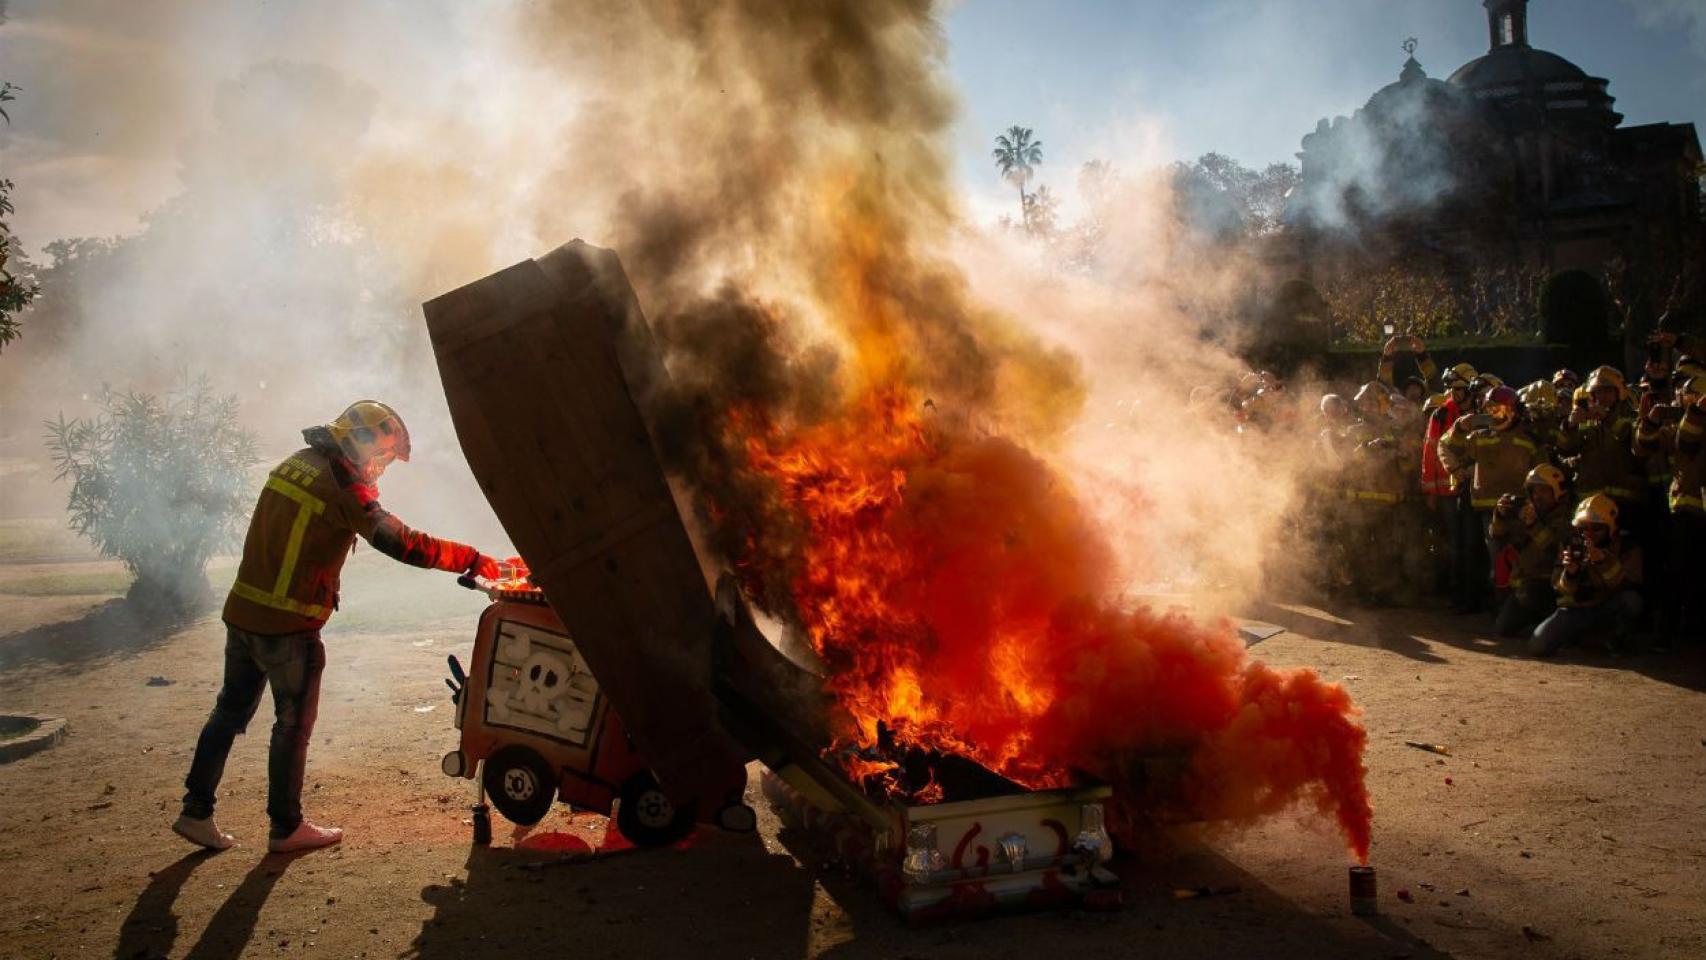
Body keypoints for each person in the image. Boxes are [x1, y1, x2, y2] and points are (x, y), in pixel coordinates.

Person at [174, 401, 506, 853]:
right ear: (362, 441)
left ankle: (195, 811)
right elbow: (401, 543)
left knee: (228, 714)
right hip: (289, 626)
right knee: (291, 726)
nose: (381, 466)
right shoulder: (342, 484)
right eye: (383, 455)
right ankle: (286, 827)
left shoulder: (298, 462)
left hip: (244, 612)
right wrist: (473, 559)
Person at [1438, 384, 1542, 611]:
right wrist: (1459, 427)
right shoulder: (1479, 436)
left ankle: (1509, 606)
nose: (1493, 414)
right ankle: (1493, 605)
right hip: (1484, 508)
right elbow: (1446, 445)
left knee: (1512, 560)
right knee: (1489, 558)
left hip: (1517, 510)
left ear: (1513, 410)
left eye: (1498, 409)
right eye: (1489, 409)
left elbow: (1541, 472)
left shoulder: (1527, 438)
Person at [1633, 374, 1705, 648]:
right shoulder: (1677, 427)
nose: (1682, 399)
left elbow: (1690, 441)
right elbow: (1642, 446)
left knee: (1697, 577)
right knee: (1675, 573)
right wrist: (1650, 419)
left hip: (1695, 509)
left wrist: (1697, 413)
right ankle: (1670, 633)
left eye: (1690, 395)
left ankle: (1693, 631)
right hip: (1684, 511)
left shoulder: (1691, 423)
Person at [1530, 494, 1643, 657]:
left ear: (1610, 527)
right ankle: (1583, 638)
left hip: (1606, 610)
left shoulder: (1627, 547)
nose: (1588, 534)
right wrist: (1571, 573)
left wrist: (1602, 561)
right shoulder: (1571, 544)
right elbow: (1559, 587)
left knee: (1632, 601)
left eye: (1596, 528)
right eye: (1583, 528)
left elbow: (1627, 584)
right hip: (1577, 610)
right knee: (1538, 645)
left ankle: (1612, 640)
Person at [1340, 382, 1406, 604]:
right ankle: (1361, 593)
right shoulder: (1352, 430)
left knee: (1386, 548)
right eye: (1364, 403)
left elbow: (1409, 459)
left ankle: (1385, 592)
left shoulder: (1397, 428)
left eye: (1371, 402)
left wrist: (1392, 450)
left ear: (1382, 404)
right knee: (1359, 548)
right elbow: (1345, 462)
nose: (1366, 407)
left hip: (1388, 497)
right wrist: (1363, 451)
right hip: (1359, 498)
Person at [1490, 464, 1571, 638]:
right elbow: (1497, 536)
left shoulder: (1565, 520)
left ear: (1556, 492)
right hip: (1524, 583)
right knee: (1502, 628)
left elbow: (1552, 548)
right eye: (1534, 491)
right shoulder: (1527, 512)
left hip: (1549, 585)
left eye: (1543, 491)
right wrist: (1500, 515)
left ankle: (1549, 627)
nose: (1537, 496)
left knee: (1528, 597)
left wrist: (1534, 526)